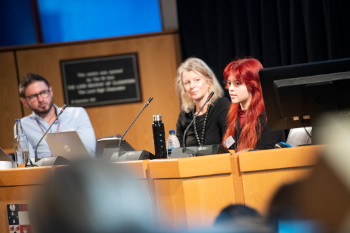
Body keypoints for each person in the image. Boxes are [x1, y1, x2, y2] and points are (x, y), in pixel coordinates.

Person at [18, 73, 96, 158]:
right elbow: (27, 163)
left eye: (44, 92)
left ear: (51, 91)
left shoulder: (77, 114)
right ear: (24, 101)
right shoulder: (22, 125)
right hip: (42, 170)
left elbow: (89, 152)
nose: (41, 99)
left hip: (76, 168)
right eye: (33, 96)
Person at [222, 58, 285, 151]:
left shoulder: (268, 116)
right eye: (229, 83)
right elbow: (229, 144)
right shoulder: (235, 114)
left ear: (253, 85)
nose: (230, 88)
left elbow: (266, 153)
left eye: (237, 83)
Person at [175, 58, 230, 147]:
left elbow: (230, 140)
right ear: (184, 88)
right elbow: (179, 150)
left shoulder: (222, 105)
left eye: (197, 80)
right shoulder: (184, 115)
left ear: (208, 81)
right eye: (187, 82)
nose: (192, 86)